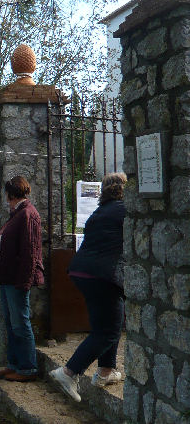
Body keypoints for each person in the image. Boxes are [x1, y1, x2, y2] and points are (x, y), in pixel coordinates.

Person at [49, 172, 127, 402]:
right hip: (103, 274)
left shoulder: (100, 211)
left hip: (81, 270)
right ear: (124, 189)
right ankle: (69, 372)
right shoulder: (124, 210)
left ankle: (106, 371)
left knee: (108, 322)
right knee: (109, 330)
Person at [0, 176, 44, 382]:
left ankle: (28, 368)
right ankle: (14, 364)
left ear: (11, 194)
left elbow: (30, 251)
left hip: (17, 280)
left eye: (7, 195)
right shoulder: (19, 213)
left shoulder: (28, 214)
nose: (6, 199)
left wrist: (25, 281)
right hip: (9, 278)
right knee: (11, 322)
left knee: (20, 323)